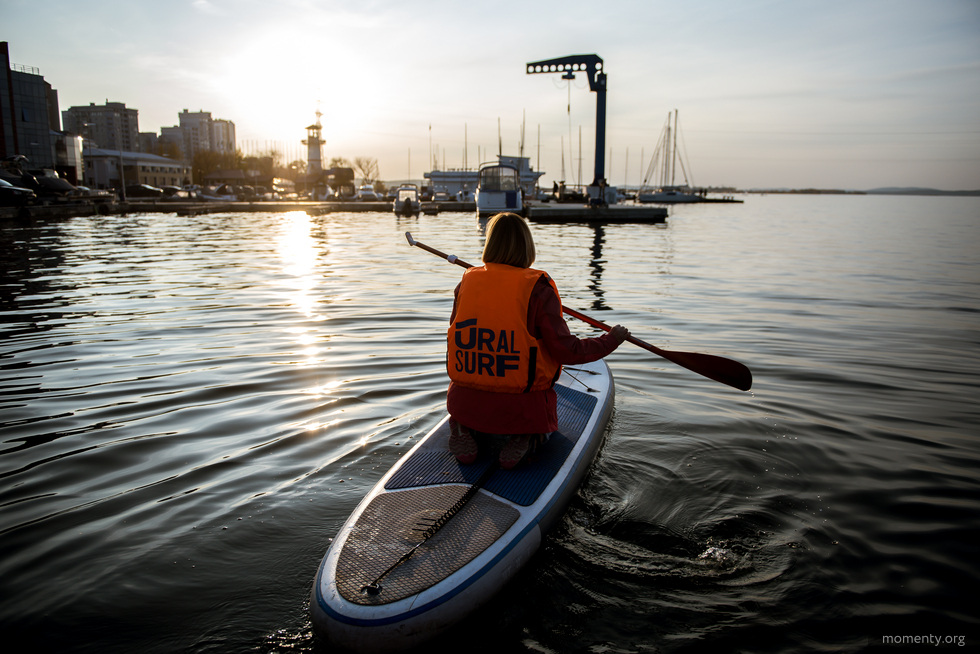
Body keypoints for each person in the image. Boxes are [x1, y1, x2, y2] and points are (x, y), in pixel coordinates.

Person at [446, 212, 629, 469]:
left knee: (471, 405)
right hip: (522, 409)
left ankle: (462, 426)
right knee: (540, 418)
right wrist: (610, 340)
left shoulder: (466, 283)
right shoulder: (539, 290)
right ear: (527, 246)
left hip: (464, 403)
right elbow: (568, 351)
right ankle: (530, 436)